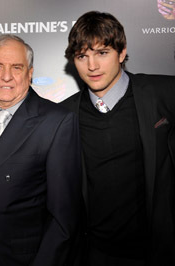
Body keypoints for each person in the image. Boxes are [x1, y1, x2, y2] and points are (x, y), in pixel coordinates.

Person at [61, 11, 175, 266]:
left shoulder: (164, 94)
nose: (92, 66)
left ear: (122, 53)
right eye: (82, 56)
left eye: (102, 53)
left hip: (159, 252)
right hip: (94, 255)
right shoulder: (64, 115)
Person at [0, 34, 82, 266]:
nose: (6, 77)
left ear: (30, 72)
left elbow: (63, 218)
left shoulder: (56, 122)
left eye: (16, 67)